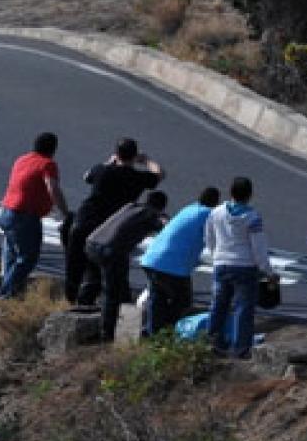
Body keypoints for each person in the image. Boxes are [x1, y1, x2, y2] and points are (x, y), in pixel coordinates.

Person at [65, 137, 163, 305]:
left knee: (74, 266)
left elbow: (86, 176)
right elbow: (159, 175)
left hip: (82, 222)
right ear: (134, 156)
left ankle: (70, 300)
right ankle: (88, 303)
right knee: (97, 270)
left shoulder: (102, 170)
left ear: (116, 154)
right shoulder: (136, 177)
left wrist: (110, 162)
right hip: (105, 230)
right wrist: (146, 160)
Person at [206, 177, 278, 359]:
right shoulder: (252, 217)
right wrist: (268, 271)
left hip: (221, 263)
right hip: (245, 267)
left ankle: (212, 343)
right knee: (243, 309)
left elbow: (209, 238)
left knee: (218, 305)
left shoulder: (216, 212)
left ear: (230, 192)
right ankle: (241, 349)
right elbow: (259, 248)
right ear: (250, 194)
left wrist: (216, 256)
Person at [85, 190, 168, 341]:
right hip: (112, 251)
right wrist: (164, 219)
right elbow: (165, 228)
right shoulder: (150, 214)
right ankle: (108, 333)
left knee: (119, 289)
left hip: (91, 244)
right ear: (160, 207)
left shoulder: (130, 206)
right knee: (113, 292)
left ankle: (122, 327)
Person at [0, 132, 71, 298]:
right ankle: (5, 294)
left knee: (11, 256)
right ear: (53, 149)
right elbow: (52, 188)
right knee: (28, 258)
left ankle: (11, 292)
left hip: (7, 211)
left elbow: (28, 185)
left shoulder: (22, 159)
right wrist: (65, 212)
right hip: (24, 216)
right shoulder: (47, 164)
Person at [139, 186, 221, 336]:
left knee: (158, 297)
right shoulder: (209, 214)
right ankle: (168, 330)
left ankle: (153, 333)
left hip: (151, 259)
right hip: (172, 265)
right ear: (215, 202)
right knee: (183, 300)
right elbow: (217, 239)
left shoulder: (190, 209)